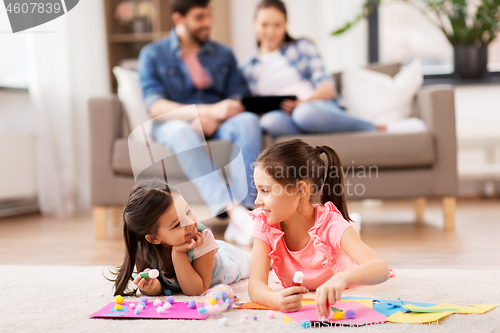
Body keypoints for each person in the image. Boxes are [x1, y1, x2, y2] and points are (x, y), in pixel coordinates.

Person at [138, 0, 261, 247]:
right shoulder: (153, 54)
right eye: (199, 17)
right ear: (178, 19)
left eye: (209, 15)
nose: (208, 23)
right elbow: (155, 106)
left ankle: (247, 210)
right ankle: (233, 212)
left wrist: (215, 116)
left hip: (218, 122)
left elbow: (239, 98)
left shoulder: (223, 53)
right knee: (182, 131)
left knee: (247, 121)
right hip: (175, 123)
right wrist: (202, 112)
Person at [248, 139, 394, 318]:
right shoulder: (264, 222)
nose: (257, 201)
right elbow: (255, 284)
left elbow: (380, 268)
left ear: (300, 190)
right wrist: (274, 300)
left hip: (341, 257)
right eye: (257, 190)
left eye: (265, 191)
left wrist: (342, 278)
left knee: (348, 241)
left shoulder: (330, 224)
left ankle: (353, 227)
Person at [241, 0, 381, 137]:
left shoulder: (303, 47)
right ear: (255, 24)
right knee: (270, 122)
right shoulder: (247, 68)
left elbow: (328, 88)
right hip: (282, 115)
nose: (270, 31)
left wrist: (302, 103)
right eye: (264, 25)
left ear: (286, 25)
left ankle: (371, 126)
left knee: (304, 115)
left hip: (314, 106)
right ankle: (310, 143)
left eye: (277, 25)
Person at [111, 179, 251, 296]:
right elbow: (160, 285)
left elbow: (197, 291)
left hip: (231, 261)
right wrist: (152, 287)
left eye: (188, 211)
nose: (189, 222)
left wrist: (179, 254)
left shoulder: (201, 237)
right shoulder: (144, 247)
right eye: (177, 224)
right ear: (154, 239)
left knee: (260, 260)